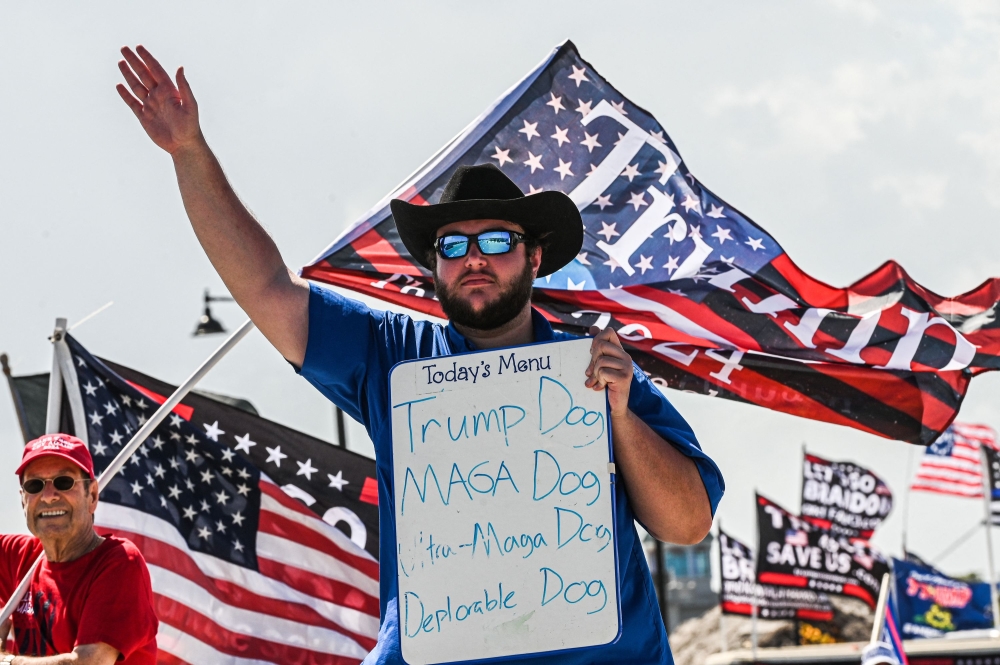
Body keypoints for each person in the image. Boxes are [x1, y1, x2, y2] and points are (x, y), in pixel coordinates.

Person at [116, 45, 724, 664]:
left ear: (535, 257)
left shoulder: (597, 366)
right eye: (452, 245)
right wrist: (190, 151)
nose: (474, 258)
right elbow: (267, 289)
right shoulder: (394, 357)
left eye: (496, 240)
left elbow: (687, 525)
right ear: (434, 265)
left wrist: (620, 417)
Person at [0, 434, 158, 664]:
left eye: (64, 482)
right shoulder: (17, 556)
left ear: (92, 495)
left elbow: (88, 662)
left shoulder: (120, 561)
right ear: (23, 500)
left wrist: (6, 661)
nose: (48, 496)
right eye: (34, 485)